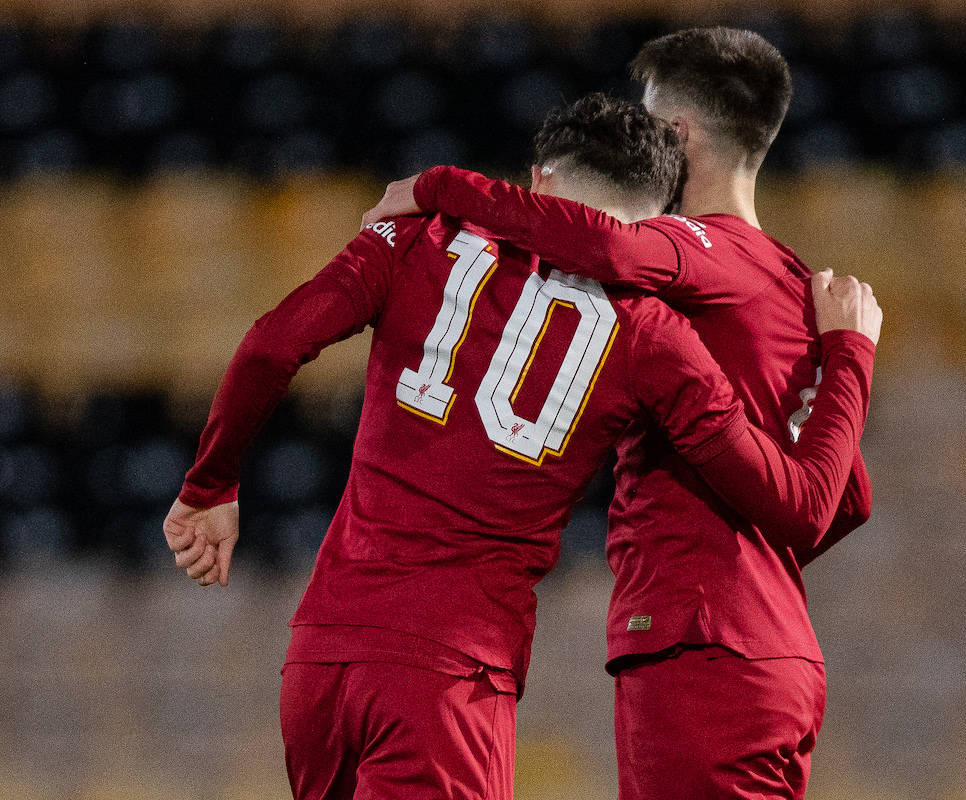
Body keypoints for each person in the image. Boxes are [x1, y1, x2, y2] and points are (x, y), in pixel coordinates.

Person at [164, 93, 881, 800]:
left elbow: (270, 346)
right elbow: (801, 503)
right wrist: (847, 353)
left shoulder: (419, 238)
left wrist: (211, 486)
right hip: (452, 676)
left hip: (324, 655)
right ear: (658, 220)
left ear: (539, 178)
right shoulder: (653, 335)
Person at [361, 26, 872, 800]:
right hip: (776, 650)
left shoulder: (693, 249)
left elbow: (610, 248)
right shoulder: (791, 283)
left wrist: (441, 188)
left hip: (700, 646)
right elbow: (845, 498)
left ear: (679, 133)